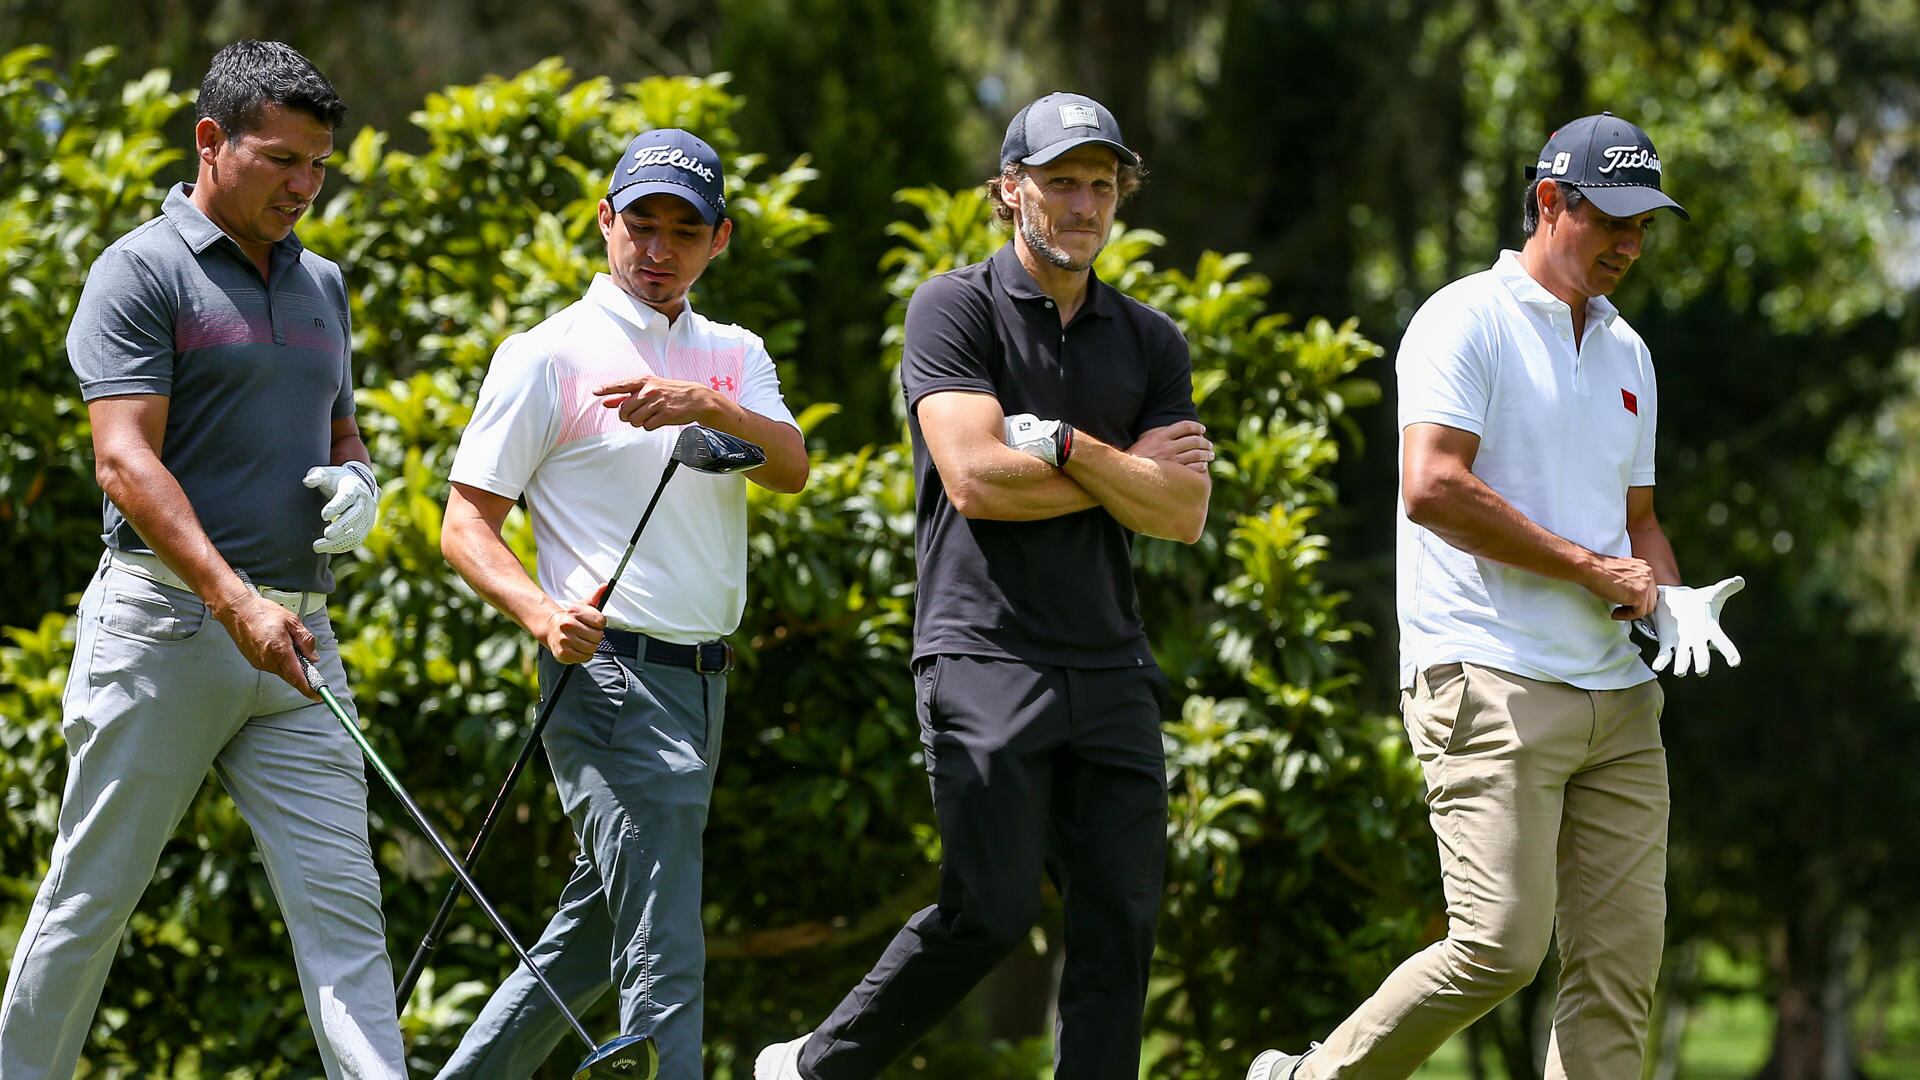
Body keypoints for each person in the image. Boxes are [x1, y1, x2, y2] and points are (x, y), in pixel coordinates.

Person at [1246, 112, 1743, 1080]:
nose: (1633, 246)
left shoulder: (1630, 353)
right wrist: (1597, 574)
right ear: (1550, 202)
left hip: (1619, 702)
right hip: (1489, 676)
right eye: (1616, 223)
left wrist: (1671, 596)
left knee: (1620, 971)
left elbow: (1638, 520)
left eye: (1646, 228)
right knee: (1501, 946)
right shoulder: (1461, 319)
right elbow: (1432, 485)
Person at [755, 91, 1213, 1080]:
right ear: (1010, 191)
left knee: (1120, 924)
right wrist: (1123, 474)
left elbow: (1182, 513)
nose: (1084, 205)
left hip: (1109, 661)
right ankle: (813, 1070)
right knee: (990, 912)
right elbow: (974, 479)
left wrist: (1066, 446)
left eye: (1101, 186)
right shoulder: (952, 307)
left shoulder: (1151, 340)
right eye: (1060, 184)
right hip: (983, 653)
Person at [0, 40, 405, 1079]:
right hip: (166, 631)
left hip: (298, 641)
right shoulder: (139, 270)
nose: (307, 187)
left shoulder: (325, 283)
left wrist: (358, 481)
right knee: (90, 905)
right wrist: (234, 604)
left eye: (320, 166)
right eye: (283, 161)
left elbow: (339, 430)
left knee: (347, 921)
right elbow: (124, 463)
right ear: (212, 141)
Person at [434, 127, 808, 1079]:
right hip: (607, 677)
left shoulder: (735, 354)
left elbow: (792, 469)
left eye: (685, 231)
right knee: (664, 952)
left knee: (593, 937)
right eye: (641, 224)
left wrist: (707, 405)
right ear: (605, 222)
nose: (659, 249)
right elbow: (465, 525)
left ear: (719, 240)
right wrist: (537, 613)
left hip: (703, 685)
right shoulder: (547, 355)